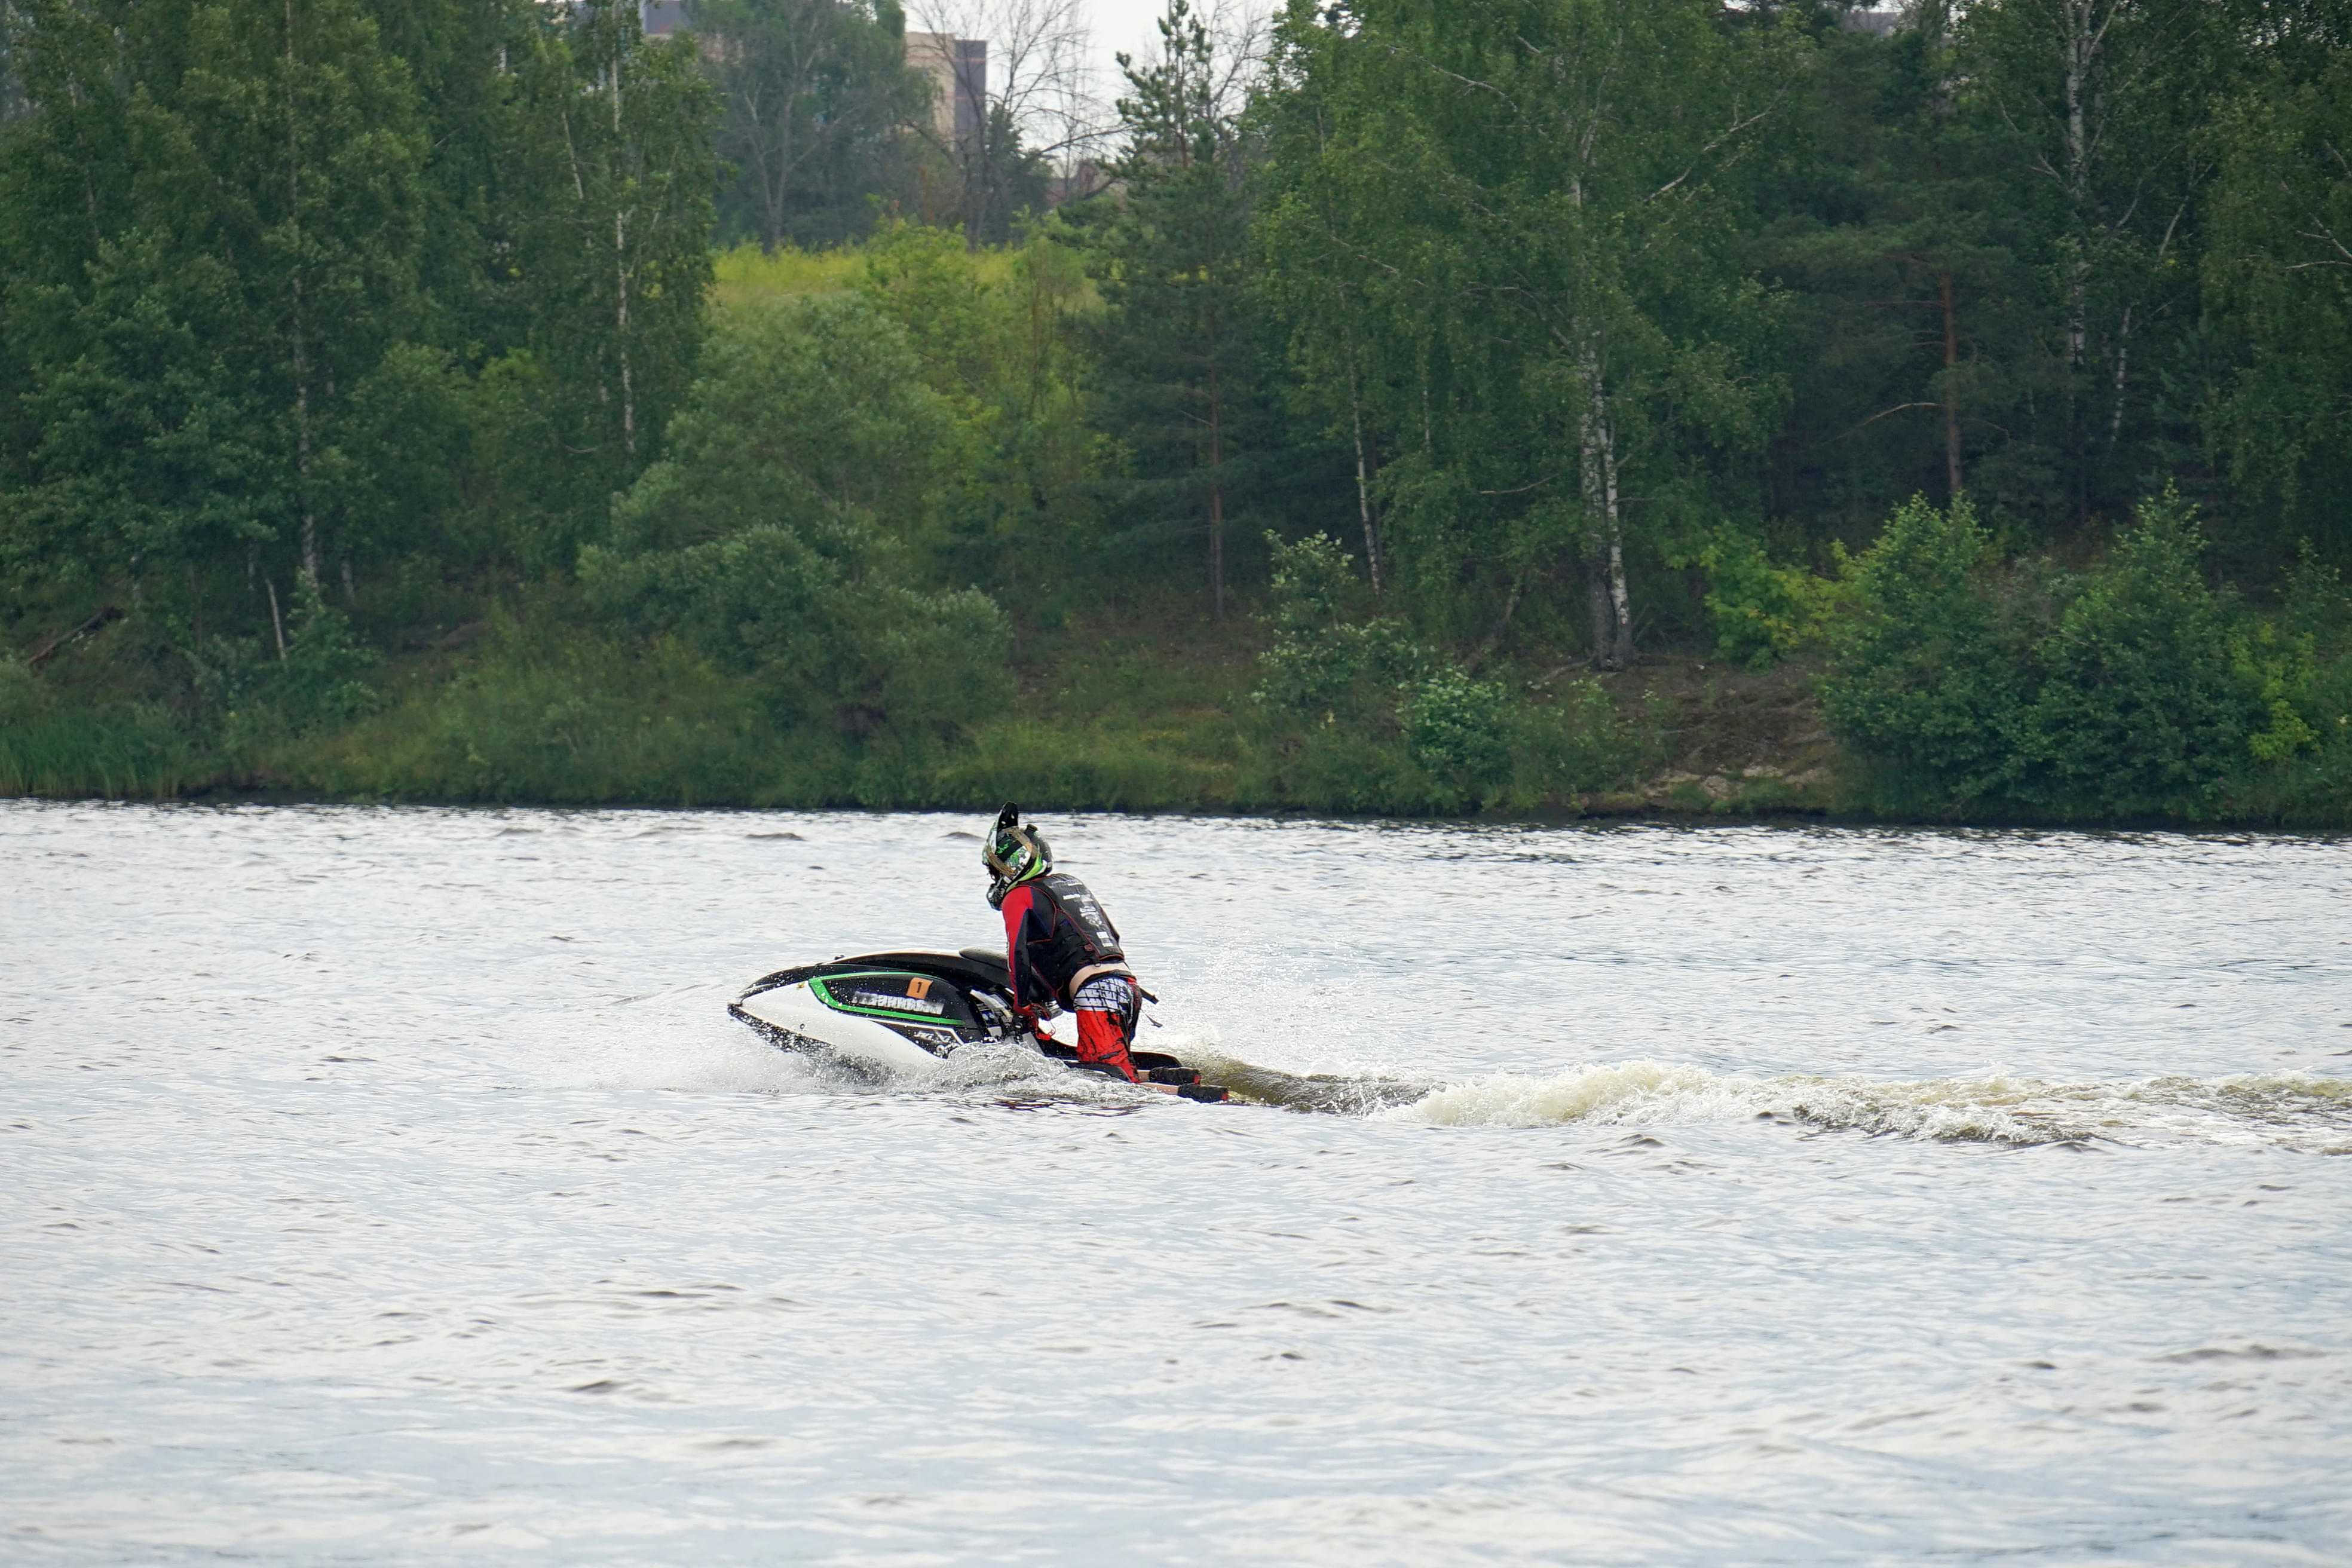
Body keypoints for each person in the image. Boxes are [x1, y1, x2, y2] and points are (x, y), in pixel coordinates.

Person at [982, 803, 1148, 1084]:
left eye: (996, 871)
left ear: (1012, 866)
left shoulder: (1019, 895)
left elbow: (1018, 954)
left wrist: (1023, 1005)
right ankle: (1182, 1083)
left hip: (1097, 995)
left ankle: (1201, 1099)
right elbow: (1112, 938)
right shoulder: (1071, 883)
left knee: (1108, 1086)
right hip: (1127, 987)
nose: (995, 879)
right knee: (1119, 1075)